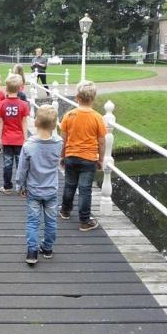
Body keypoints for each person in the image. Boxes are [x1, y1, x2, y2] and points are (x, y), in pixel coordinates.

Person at [16, 105, 63, 265]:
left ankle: (32, 252)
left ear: (35, 123)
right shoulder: (58, 143)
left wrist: (19, 186)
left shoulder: (28, 146)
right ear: (54, 124)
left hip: (34, 190)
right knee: (51, 221)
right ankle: (48, 248)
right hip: (51, 190)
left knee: (33, 221)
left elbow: (22, 169)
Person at [59, 80, 106, 231]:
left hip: (71, 156)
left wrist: (62, 156)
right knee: (85, 189)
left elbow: (64, 139)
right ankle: (84, 221)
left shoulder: (69, 115)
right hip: (89, 158)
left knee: (69, 184)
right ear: (94, 98)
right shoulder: (97, 117)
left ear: (77, 97)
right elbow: (102, 142)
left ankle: (65, 211)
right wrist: (101, 159)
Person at [0, 74, 29, 194]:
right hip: (20, 139)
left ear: (6, 88)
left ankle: (7, 186)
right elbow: (24, 123)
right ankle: (23, 188)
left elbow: (0, 123)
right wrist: (26, 138)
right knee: (21, 165)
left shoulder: (1, 104)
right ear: (20, 88)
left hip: (6, 139)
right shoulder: (23, 105)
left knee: (7, 164)